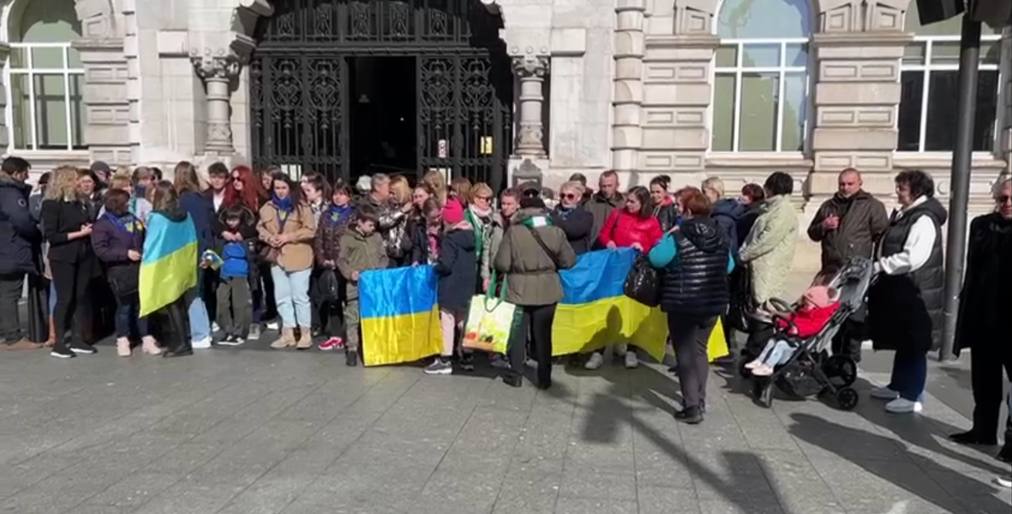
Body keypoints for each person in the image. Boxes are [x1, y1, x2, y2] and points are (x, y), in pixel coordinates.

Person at [647, 188, 732, 423]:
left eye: (678, 207)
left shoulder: (678, 235)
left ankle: (691, 406)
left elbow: (655, 258)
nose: (676, 210)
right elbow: (729, 266)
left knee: (684, 355)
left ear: (687, 210)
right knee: (700, 351)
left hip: (683, 302)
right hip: (712, 303)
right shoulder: (721, 234)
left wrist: (667, 237)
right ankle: (700, 400)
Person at [867, 170, 946, 414]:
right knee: (904, 338)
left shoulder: (923, 219)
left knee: (914, 342)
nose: (898, 192)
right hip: (902, 287)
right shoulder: (907, 214)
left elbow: (913, 257)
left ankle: (912, 395)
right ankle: (898, 385)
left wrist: (881, 266)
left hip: (917, 289)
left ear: (916, 191)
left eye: (902, 188)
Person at [950, 177, 1012, 459]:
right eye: (1002, 198)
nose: (1006, 204)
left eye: (1010, 199)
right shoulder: (982, 225)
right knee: (984, 380)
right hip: (984, 316)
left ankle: (1011, 442)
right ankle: (983, 430)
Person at [494, 197, 576, 388]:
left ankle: (516, 375)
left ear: (521, 209)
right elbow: (569, 261)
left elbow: (502, 263)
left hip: (518, 289)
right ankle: (545, 377)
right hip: (548, 288)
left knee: (517, 332)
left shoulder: (514, 232)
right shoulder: (556, 231)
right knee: (543, 334)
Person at [807, 168, 888, 362]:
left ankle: (851, 359)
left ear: (860, 183)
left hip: (856, 272)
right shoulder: (829, 205)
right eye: (842, 184)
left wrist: (876, 265)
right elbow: (812, 232)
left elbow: (882, 235)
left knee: (853, 316)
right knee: (833, 317)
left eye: (850, 184)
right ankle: (836, 359)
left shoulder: (872, 205)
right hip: (831, 270)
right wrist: (824, 226)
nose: (845, 188)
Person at [589, 186, 662, 369]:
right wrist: (609, 242)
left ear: (643, 203)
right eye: (627, 200)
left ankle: (631, 350)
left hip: (636, 270)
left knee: (634, 310)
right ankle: (598, 351)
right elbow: (603, 233)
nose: (627, 204)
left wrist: (643, 248)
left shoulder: (651, 222)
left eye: (632, 201)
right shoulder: (617, 214)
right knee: (607, 307)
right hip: (614, 268)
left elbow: (658, 245)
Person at [91, 188, 160, 357]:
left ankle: (146, 338)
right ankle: (122, 338)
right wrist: (125, 254)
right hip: (119, 270)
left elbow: (142, 235)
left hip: (139, 268)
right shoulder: (103, 224)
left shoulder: (132, 219)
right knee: (124, 306)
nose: (129, 204)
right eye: (125, 202)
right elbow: (101, 250)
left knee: (142, 305)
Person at [41, 166, 98, 358]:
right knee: (64, 298)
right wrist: (79, 233)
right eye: (74, 180)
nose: (78, 183)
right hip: (63, 256)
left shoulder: (78, 202)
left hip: (82, 254)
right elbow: (52, 235)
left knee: (80, 296)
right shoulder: (51, 204)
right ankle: (58, 342)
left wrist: (86, 227)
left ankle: (77, 338)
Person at [738, 172, 798, 356]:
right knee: (758, 308)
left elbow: (767, 240)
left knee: (766, 309)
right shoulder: (772, 208)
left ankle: (759, 350)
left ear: (771, 188)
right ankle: (753, 348)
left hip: (770, 267)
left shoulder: (783, 211)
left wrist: (743, 255)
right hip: (761, 265)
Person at [258, 172, 317, 350]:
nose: (281, 191)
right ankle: (287, 333)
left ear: (290, 188)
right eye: (277, 188)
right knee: (282, 297)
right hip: (278, 257)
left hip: (299, 255)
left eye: (284, 188)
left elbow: (310, 230)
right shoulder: (267, 207)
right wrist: (270, 238)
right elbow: (260, 227)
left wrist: (289, 236)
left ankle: (305, 333)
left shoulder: (302, 207)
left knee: (300, 296)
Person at [425, 200, 477, 375]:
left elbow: (446, 264)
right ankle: (467, 356)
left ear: (447, 220)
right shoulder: (471, 236)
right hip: (467, 284)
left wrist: (436, 266)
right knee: (463, 321)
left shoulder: (450, 239)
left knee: (447, 321)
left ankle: (445, 359)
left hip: (451, 284)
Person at [745, 282, 840, 376]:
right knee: (772, 340)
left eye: (807, 304)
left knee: (780, 344)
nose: (804, 305)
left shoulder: (817, 319)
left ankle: (768, 366)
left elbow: (811, 328)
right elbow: (792, 319)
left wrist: (798, 330)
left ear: (816, 307)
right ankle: (760, 360)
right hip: (790, 336)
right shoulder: (804, 311)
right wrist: (780, 322)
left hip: (800, 341)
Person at [145, 181, 195, 358]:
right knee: (179, 304)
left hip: (164, 265)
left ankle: (181, 343)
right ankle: (182, 340)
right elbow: (190, 238)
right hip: (180, 264)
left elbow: (152, 244)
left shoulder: (157, 217)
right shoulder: (185, 215)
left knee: (171, 304)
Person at [0, 156, 43, 349]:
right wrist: (36, 230)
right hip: (11, 248)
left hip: (5, 247)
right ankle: (13, 337)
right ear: (16, 173)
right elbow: (22, 221)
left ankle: (6, 332)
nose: (27, 177)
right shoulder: (10, 193)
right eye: (25, 172)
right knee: (10, 292)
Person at [338, 207, 388, 366]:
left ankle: (373, 347)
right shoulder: (347, 238)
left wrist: (380, 269)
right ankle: (352, 348)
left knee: (374, 317)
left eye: (374, 225)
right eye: (370, 225)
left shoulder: (377, 237)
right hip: (355, 285)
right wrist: (349, 273)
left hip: (373, 285)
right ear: (359, 223)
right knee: (353, 318)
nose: (373, 228)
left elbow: (383, 256)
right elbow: (342, 260)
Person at [174, 161, 214, 349]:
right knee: (199, 291)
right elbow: (207, 227)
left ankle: (200, 333)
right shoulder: (202, 198)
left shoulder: (182, 200)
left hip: (189, 251)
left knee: (191, 293)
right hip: (204, 249)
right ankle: (204, 329)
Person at [228, 165, 269, 340]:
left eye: (239, 179)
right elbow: (222, 217)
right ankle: (237, 321)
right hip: (234, 245)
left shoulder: (259, 199)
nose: (236, 182)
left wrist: (243, 233)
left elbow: (259, 223)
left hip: (253, 245)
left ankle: (256, 319)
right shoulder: (231, 199)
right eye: (233, 179)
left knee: (255, 283)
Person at [314, 181, 355, 351]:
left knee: (349, 299)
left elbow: (352, 241)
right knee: (333, 299)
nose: (338, 197)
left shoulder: (353, 215)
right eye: (335, 194)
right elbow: (319, 239)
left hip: (346, 264)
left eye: (342, 194)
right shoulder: (326, 215)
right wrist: (323, 259)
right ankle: (336, 335)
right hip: (329, 263)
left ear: (348, 196)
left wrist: (341, 260)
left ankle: (351, 335)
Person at [214, 204, 258, 346]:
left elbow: (253, 230)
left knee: (239, 303)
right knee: (222, 301)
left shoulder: (246, 235)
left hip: (240, 272)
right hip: (224, 272)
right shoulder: (222, 236)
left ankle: (239, 332)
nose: (231, 223)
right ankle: (227, 329)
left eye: (235, 220)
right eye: (229, 220)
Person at [465, 182, 504, 292]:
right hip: (471, 265)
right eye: (486, 199)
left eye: (490, 199)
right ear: (475, 199)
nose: (489, 202)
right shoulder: (466, 216)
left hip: (488, 266)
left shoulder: (494, 217)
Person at [703, 177, 746, 257]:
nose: (703, 196)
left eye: (704, 192)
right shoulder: (721, 211)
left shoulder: (721, 216)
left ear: (715, 192)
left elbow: (721, 245)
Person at [551, 181, 594, 255]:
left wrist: (552, 221)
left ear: (578, 198)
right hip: (556, 258)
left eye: (570, 196)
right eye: (562, 195)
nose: (565, 198)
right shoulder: (553, 213)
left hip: (577, 259)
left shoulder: (586, 216)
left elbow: (573, 231)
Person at [585, 170, 624, 247]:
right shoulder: (590, 205)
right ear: (599, 186)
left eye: (609, 186)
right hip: (595, 248)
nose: (606, 190)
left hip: (617, 248)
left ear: (617, 185)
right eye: (604, 186)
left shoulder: (624, 204)